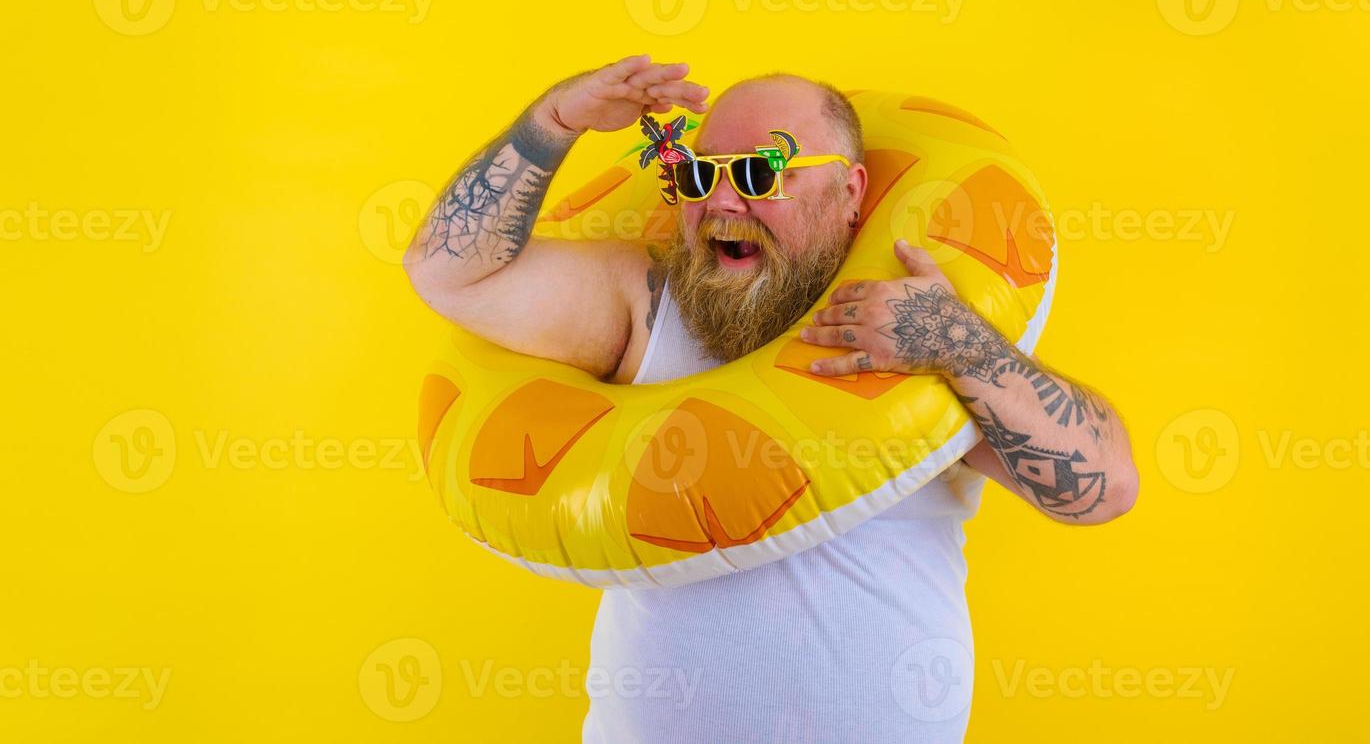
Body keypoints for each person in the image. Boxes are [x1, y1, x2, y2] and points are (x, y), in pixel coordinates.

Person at [403, 55, 1139, 743]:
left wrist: (963, 347)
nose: (723, 200)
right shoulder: (641, 302)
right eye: (701, 176)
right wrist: (552, 124)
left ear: (850, 193)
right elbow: (448, 275)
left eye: (758, 173)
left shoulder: (911, 323)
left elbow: (1101, 490)